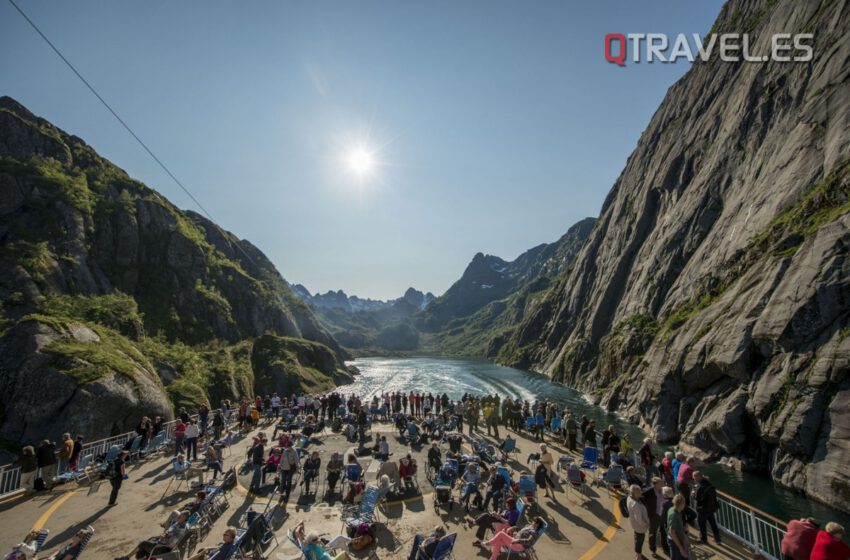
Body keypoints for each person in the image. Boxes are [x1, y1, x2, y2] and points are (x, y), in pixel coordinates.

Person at [117, 511, 189, 559]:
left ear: (185, 520)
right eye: (179, 515)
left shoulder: (181, 530)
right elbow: (169, 530)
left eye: (180, 517)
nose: (178, 517)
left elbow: (172, 544)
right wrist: (165, 533)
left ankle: (126, 558)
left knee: (143, 543)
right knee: (140, 552)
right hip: (159, 543)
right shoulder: (178, 523)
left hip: (162, 548)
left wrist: (165, 537)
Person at [478, 516, 545, 560]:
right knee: (498, 541)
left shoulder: (534, 532)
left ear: (538, 525)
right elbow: (520, 527)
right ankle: (493, 558)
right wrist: (513, 527)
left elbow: (529, 541)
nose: (533, 523)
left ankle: (487, 543)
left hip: (519, 545)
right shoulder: (530, 526)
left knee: (501, 534)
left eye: (536, 523)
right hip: (514, 540)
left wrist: (518, 540)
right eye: (534, 521)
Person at [644, 477, 669, 558]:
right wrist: (648, 511)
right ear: (655, 484)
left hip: (662, 514)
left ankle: (665, 547)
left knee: (664, 531)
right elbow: (642, 499)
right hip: (654, 516)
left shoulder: (662, 490)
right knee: (653, 533)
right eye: (661, 483)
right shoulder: (649, 491)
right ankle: (653, 550)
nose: (662, 484)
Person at [693, 471, 721, 544]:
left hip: (702, 508)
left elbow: (698, 498)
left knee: (701, 523)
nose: (693, 479)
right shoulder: (709, 484)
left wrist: (693, 493)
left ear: (698, 477)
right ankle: (717, 539)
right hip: (710, 508)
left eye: (694, 477)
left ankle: (703, 539)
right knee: (713, 523)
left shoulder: (700, 487)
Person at [627, 484, 649, 560]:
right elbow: (639, 519)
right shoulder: (636, 505)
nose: (641, 492)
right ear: (634, 493)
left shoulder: (629, 498)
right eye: (639, 491)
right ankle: (639, 556)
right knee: (640, 541)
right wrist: (646, 524)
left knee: (637, 539)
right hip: (640, 527)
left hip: (635, 526)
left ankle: (637, 553)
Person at [667, 494, 690, 560]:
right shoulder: (674, 514)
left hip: (678, 540)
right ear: (681, 504)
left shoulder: (674, 509)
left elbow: (677, 527)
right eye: (684, 503)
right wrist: (681, 549)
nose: (685, 504)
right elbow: (672, 532)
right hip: (674, 542)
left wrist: (684, 536)